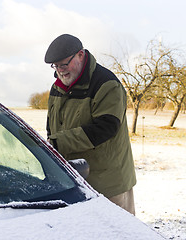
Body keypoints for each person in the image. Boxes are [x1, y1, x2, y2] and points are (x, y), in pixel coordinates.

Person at [44, 34, 136, 215]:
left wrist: (58, 143)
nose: (60, 70)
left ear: (80, 54)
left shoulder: (106, 84)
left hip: (109, 184)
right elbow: (51, 126)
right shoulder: (57, 87)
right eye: (55, 66)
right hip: (74, 181)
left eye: (64, 64)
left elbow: (105, 128)